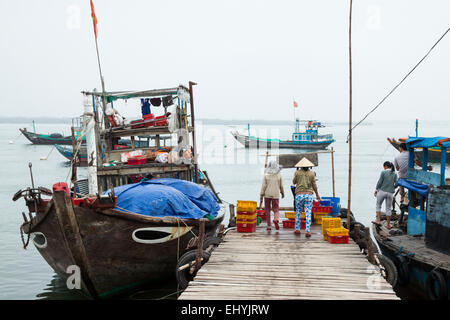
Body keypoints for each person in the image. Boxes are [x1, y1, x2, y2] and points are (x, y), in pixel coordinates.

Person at [292, 157, 320, 237]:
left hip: (299, 195)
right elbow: (314, 185)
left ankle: (297, 229)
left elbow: (294, 182)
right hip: (309, 195)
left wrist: (297, 173)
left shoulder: (297, 172)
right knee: (308, 213)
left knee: (298, 212)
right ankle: (307, 231)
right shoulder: (311, 173)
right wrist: (317, 194)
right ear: (309, 166)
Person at [260, 160, 284, 230]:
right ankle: (276, 219)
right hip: (275, 194)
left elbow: (263, 186)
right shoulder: (279, 175)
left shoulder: (266, 175)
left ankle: (269, 225)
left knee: (267, 209)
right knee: (276, 209)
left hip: (267, 194)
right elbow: (281, 186)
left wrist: (261, 195)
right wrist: (282, 193)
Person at [373, 161, 398, 229]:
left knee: (378, 206)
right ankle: (388, 224)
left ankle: (378, 220)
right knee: (388, 208)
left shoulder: (383, 172)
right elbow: (397, 183)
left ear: (385, 166)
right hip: (390, 193)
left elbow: (380, 182)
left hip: (382, 191)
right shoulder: (395, 173)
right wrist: (393, 187)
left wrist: (376, 190)